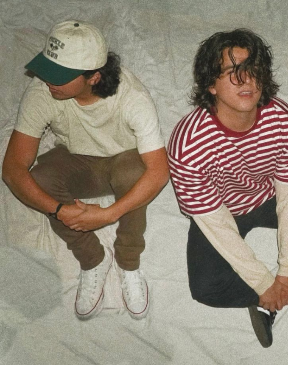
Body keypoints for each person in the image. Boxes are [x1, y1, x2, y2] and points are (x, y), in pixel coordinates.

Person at [168, 29, 288, 347]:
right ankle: (265, 300)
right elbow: (213, 222)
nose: (246, 79)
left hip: (266, 194)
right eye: (232, 72)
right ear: (211, 84)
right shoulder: (187, 144)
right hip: (220, 209)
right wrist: (264, 284)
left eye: (253, 69)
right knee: (205, 288)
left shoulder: (284, 121)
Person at [2, 20, 169, 321]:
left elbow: (159, 172)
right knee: (40, 179)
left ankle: (128, 262)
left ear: (93, 77)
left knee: (135, 175)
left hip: (122, 159)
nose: (49, 81)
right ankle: (93, 259)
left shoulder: (132, 98)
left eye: (60, 76)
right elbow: (13, 169)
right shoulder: (43, 91)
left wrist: (109, 214)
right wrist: (58, 210)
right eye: (47, 69)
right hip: (76, 158)